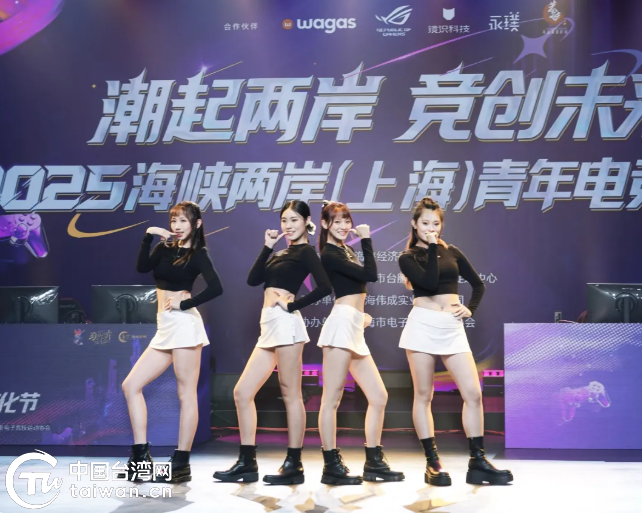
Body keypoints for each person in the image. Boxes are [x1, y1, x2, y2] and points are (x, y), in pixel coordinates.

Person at [213, 200, 331, 485]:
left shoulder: (306, 252)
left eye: (294, 220)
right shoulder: (280, 252)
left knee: (291, 394)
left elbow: (325, 287)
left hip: (286, 325)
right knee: (242, 392)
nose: (288, 226)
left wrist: (293, 305)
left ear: (306, 222)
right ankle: (247, 462)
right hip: (268, 325)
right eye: (284, 220)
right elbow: (253, 280)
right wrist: (267, 246)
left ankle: (294, 463)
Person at [398, 197, 513, 486]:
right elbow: (428, 283)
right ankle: (433, 463)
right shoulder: (407, 257)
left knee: (473, 393)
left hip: (451, 326)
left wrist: (470, 308)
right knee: (423, 395)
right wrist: (432, 247)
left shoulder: (452, 252)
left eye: (436, 223)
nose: (431, 228)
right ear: (414, 224)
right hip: (422, 325)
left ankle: (478, 461)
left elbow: (478, 284)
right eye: (425, 223)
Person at [121, 201, 223, 483]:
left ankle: (181, 463)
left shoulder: (198, 253)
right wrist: (149, 235)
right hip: (164, 327)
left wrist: (185, 303)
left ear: (197, 224)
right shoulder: (164, 247)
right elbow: (142, 267)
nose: (177, 226)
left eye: (183, 221)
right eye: (174, 220)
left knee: (185, 393)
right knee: (131, 385)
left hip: (185, 325)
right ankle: (141, 456)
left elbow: (217, 287)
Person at [315, 200, 405, 485]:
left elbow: (358, 286)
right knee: (331, 399)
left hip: (353, 326)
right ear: (325, 224)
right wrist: (366, 239)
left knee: (378, 396)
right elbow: (370, 275)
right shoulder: (329, 253)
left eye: (346, 220)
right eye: (337, 221)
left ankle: (374, 462)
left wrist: (360, 317)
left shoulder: (346, 250)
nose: (344, 226)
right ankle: (331, 465)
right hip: (341, 325)